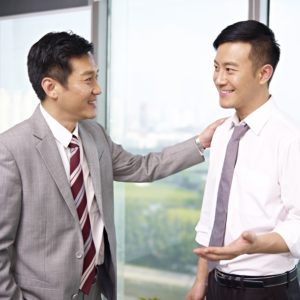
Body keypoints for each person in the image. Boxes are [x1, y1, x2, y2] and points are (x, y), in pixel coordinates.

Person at [0, 31, 223, 300]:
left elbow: (143, 167)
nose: (98, 89)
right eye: (88, 79)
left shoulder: (95, 136)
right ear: (51, 87)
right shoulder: (11, 150)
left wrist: (200, 142)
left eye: (97, 77)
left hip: (95, 290)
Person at [186, 20, 300, 300]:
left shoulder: (289, 137)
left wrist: (253, 244)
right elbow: (213, 212)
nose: (219, 79)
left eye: (230, 70)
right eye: (216, 67)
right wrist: (201, 279)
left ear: (263, 73)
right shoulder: (224, 132)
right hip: (217, 283)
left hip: (267, 290)